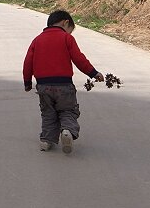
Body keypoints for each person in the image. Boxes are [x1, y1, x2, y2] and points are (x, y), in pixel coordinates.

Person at [23, 10, 104, 154]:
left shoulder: (37, 40)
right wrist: (93, 73)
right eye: (70, 30)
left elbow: (28, 62)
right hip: (64, 85)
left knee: (48, 113)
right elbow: (79, 59)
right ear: (65, 22)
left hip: (43, 86)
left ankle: (46, 141)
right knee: (68, 111)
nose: (69, 34)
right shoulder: (67, 39)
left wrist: (27, 82)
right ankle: (67, 131)